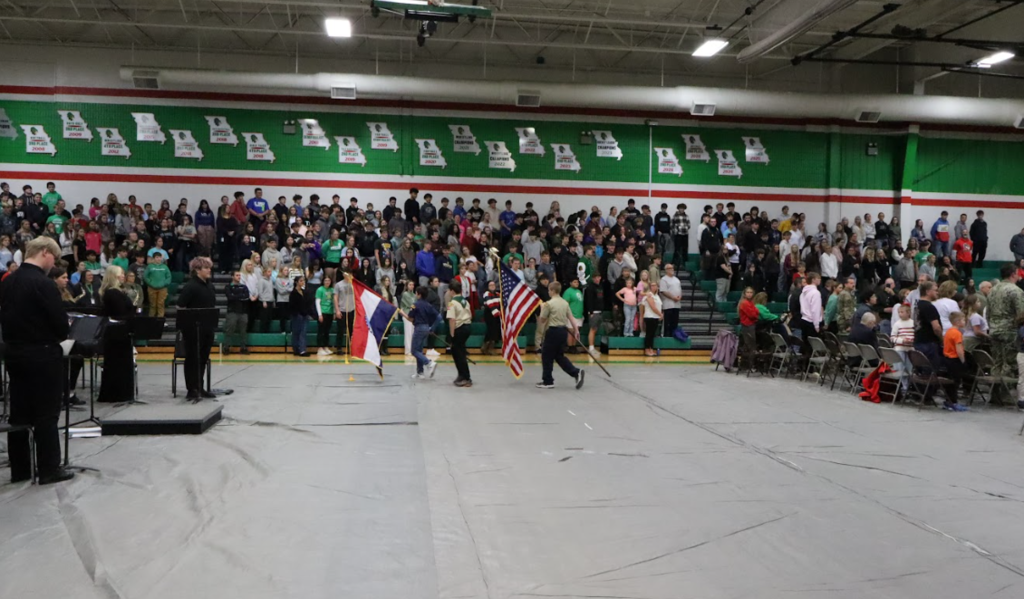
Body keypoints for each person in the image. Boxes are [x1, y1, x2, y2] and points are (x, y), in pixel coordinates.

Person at [0, 237, 73, 484]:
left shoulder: (8, 281)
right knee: (46, 413)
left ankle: (20, 469)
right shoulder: (43, 284)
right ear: (44, 252)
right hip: (42, 354)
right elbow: (60, 326)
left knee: (19, 413)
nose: (54, 264)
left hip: (14, 352)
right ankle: (49, 468)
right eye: (54, 258)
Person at [176, 257, 217, 401]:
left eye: (209, 267)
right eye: (206, 268)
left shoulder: (209, 285)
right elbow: (180, 305)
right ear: (197, 270)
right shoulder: (191, 286)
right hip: (193, 329)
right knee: (192, 358)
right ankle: (192, 388)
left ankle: (200, 386)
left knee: (203, 358)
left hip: (207, 327)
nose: (209, 270)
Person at [536, 281, 585, 390]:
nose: (548, 292)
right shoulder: (564, 303)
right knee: (559, 356)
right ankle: (576, 372)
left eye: (549, 290)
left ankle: (548, 381)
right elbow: (571, 317)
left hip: (553, 331)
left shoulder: (548, 304)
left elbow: (542, 320)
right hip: (563, 331)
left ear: (552, 291)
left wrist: (542, 308)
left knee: (546, 356)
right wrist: (576, 330)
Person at [96, 265, 136, 403]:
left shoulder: (117, 292)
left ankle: (122, 393)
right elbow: (120, 312)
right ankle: (117, 394)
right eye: (121, 274)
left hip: (121, 331)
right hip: (117, 333)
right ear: (114, 276)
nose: (123, 276)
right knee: (117, 364)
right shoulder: (112, 293)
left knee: (121, 363)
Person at [403, 286, 439, 379]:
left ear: (418, 294)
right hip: (426, 327)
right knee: (419, 350)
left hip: (419, 328)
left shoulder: (415, 305)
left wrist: (402, 313)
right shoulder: (428, 305)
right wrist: (432, 328)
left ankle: (429, 363)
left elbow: (410, 318)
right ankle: (420, 372)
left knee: (414, 351)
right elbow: (438, 317)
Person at [446, 279, 473, 387]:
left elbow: (452, 319)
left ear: (452, 291)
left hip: (459, 328)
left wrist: (452, 334)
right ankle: (462, 375)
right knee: (460, 351)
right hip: (467, 326)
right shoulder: (465, 301)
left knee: (458, 354)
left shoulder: (452, 303)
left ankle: (465, 377)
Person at [942, 312, 969, 411]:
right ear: (958, 322)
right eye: (963, 320)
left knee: (949, 382)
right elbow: (959, 349)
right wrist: (963, 360)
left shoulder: (948, 332)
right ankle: (953, 402)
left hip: (947, 358)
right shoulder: (957, 333)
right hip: (954, 359)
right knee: (955, 382)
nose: (965, 322)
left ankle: (948, 401)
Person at [224, 271, 250, 354]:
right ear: (232, 276)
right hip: (232, 311)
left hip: (243, 311)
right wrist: (240, 296)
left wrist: (235, 296)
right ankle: (226, 347)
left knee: (243, 330)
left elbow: (246, 297)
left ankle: (243, 347)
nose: (239, 277)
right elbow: (230, 297)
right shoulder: (228, 287)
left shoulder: (244, 286)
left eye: (239, 275)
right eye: (237, 275)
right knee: (230, 329)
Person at [144, 251, 171, 317]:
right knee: (152, 304)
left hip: (163, 288)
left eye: (160, 257)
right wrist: (151, 283)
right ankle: (151, 319)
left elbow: (169, 277)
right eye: (157, 257)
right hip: (151, 288)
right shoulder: (149, 266)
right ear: (153, 258)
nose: (158, 259)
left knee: (161, 304)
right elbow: (145, 276)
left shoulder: (165, 267)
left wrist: (164, 284)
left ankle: (160, 319)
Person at [290, 276, 311, 356]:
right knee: (296, 332)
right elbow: (292, 306)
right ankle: (296, 349)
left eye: (303, 281)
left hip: (304, 315)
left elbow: (307, 303)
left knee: (303, 332)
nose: (303, 282)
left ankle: (302, 350)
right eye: (301, 281)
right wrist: (297, 314)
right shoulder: (293, 293)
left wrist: (307, 313)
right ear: (296, 282)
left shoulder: (304, 292)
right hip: (297, 316)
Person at [659, 264, 682, 338]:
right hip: (668, 305)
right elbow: (663, 291)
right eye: (669, 268)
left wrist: (679, 297)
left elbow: (680, 289)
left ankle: (674, 336)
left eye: (672, 268)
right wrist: (673, 297)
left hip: (676, 304)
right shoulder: (664, 279)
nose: (672, 269)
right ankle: (666, 336)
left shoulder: (677, 279)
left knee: (674, 322)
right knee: (667, 323)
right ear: (666, 270)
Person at [315, 274, 335, 356]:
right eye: (326, 280)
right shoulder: (320, 289)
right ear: (323, 281)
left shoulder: (332, 290)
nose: (327, 282)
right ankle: (320, 348)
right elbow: (317, 302)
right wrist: (320, 314)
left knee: (327, 331)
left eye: (329, 280)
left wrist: (334, 312)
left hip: (330, 312)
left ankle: (326, 346)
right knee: (321, 331)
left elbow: (333, 302)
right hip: (323, 312)